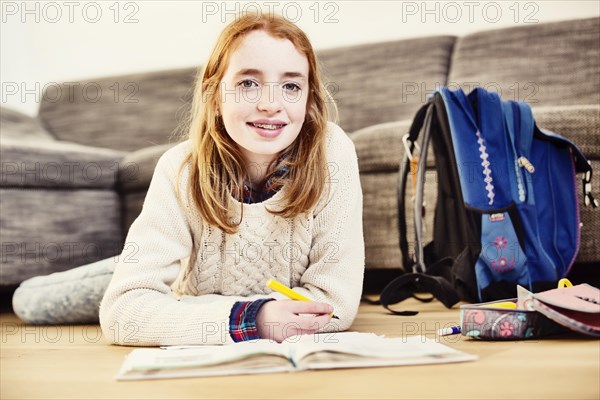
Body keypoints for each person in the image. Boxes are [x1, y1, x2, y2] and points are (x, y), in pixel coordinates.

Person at [13, 12, 365, 346]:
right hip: (177, 278)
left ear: (308, 98)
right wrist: (253, 318)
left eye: (290, 86)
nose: (271, 104)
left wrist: (197, 315)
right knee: (30, 302)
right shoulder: (179, 168)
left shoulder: (331, 151)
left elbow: (333, 306)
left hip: (185, 300)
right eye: (247, 83)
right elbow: (122, 312)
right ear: (214, 97)